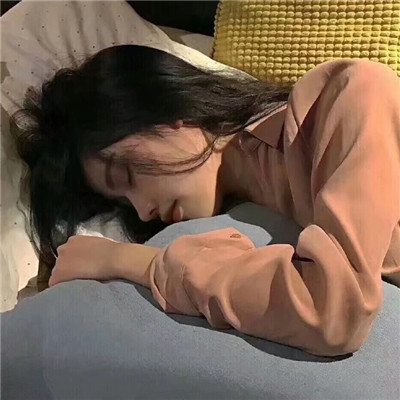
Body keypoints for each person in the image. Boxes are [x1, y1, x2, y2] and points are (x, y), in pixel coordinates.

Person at [11, 45, 400, 357]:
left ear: (166, 111)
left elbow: (333, 311)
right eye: (125, 204)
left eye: (127, 176)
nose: (144, 210)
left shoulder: (349, 97)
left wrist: (131, 262)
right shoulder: (237, 218)